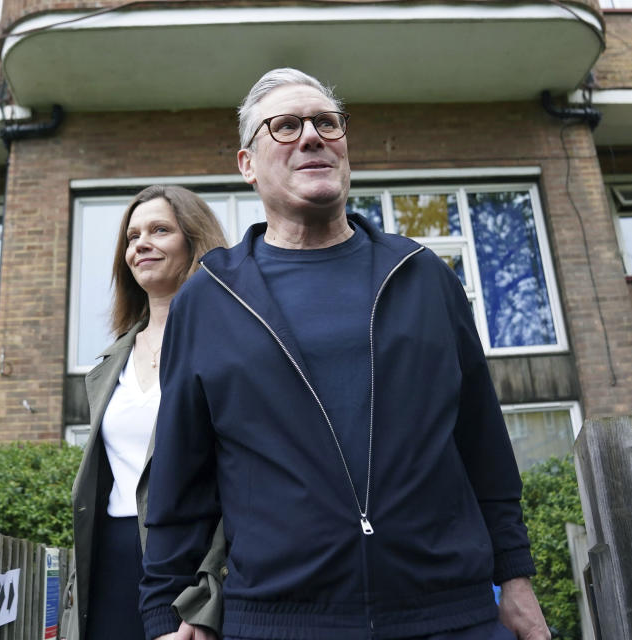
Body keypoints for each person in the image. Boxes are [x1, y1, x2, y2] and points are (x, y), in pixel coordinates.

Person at [139, 68, 552, 640]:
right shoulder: (210, 299)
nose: (312, 136)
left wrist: (515, 577)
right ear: (247, 164)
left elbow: (483, 444)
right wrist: (165, 612)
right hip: (280, 622)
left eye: (326, 122)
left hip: (450, 615)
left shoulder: (423, 275)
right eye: (285, 126)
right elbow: (179, 481)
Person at [67, 185, 227, 640]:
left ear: (195, 242)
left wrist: (209, 593)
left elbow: (246, 478)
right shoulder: (109, 363)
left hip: (195, 565)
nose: (141, 243)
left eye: (160, 230)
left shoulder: (227, 344)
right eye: (132, 236)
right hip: (111, 560)